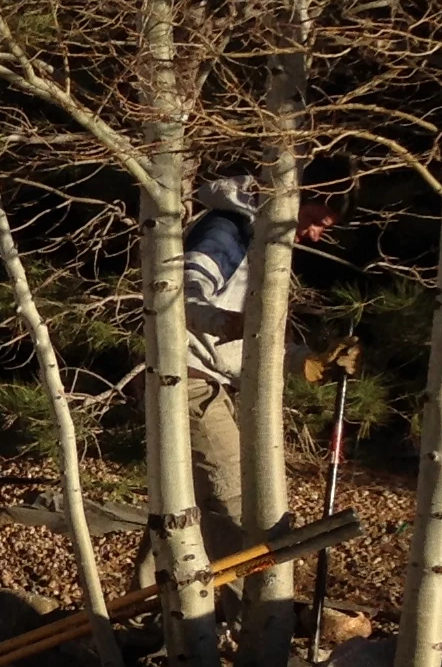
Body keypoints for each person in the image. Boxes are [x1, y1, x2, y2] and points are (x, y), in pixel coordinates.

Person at [147, 173, 357, 582]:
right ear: (295, 197)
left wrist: (305, 360)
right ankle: (245, 619)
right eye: (317, 219)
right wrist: (225, 322)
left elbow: (251, 336)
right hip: (186, 378)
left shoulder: (259, 240)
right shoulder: (227, 232)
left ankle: (150, 620)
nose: (314, 235)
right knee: (238, 508)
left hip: (207, 377)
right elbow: (177, 295)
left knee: (179, 505)